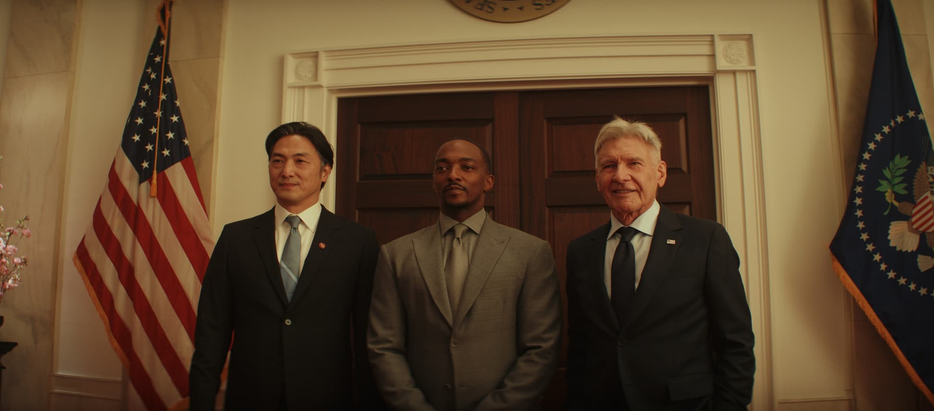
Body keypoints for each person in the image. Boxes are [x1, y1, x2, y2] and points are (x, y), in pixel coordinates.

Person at [566, 117, 755, 410]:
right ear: (597, 179)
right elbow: (580, 344)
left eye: (634, 164)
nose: (620, 176)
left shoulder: (705, 239)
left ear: (661, 172)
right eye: (609, 166)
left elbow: (736, 340)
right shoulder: (580, 251)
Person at [189, 122, 380, 410]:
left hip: (328, 397)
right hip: (250, 397)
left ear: (325, 171)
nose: (286, 171)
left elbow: (369, 334)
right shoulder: (235, 238)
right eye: (277, 161)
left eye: (300, 161)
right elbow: (211, 332)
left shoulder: (358, 242)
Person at [368, 138, 562, 411]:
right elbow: (384, 346)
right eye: (442, 168)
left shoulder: (530, 252)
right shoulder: (396, 254)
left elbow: (541, 347)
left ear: (488, 182)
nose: (453, 175)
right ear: (433, 181)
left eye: (467, 167)